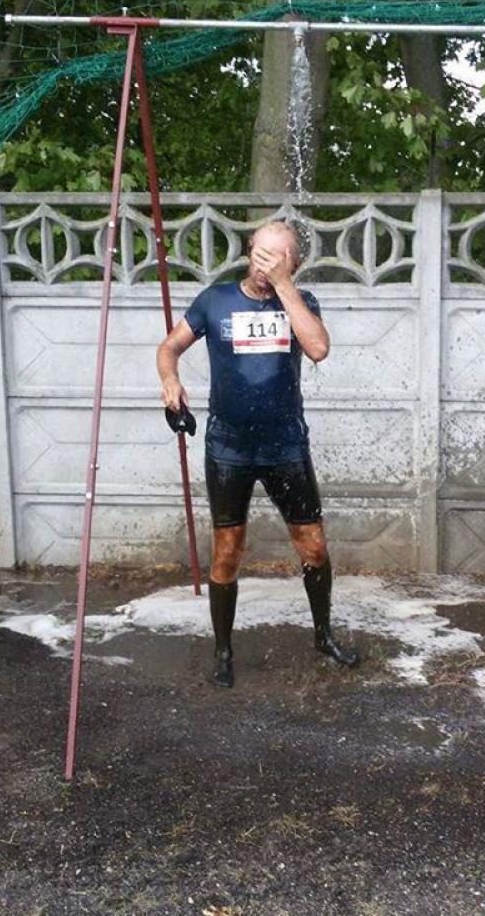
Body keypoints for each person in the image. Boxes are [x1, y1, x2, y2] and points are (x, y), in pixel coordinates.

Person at [156, 219, 359, 688]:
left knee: (313, 546)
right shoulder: (215, 301)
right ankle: (223, 650)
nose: (265, 265)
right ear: (249, 252)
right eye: (261, 254)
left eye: (278, 258)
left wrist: (284, 287)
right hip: (229, 448)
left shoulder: (301, 303)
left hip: (286, 445)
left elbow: (318, 348)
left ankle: (323, 635)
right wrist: (170, 380)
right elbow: (169, 347)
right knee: (227, 551)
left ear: (295, 263)